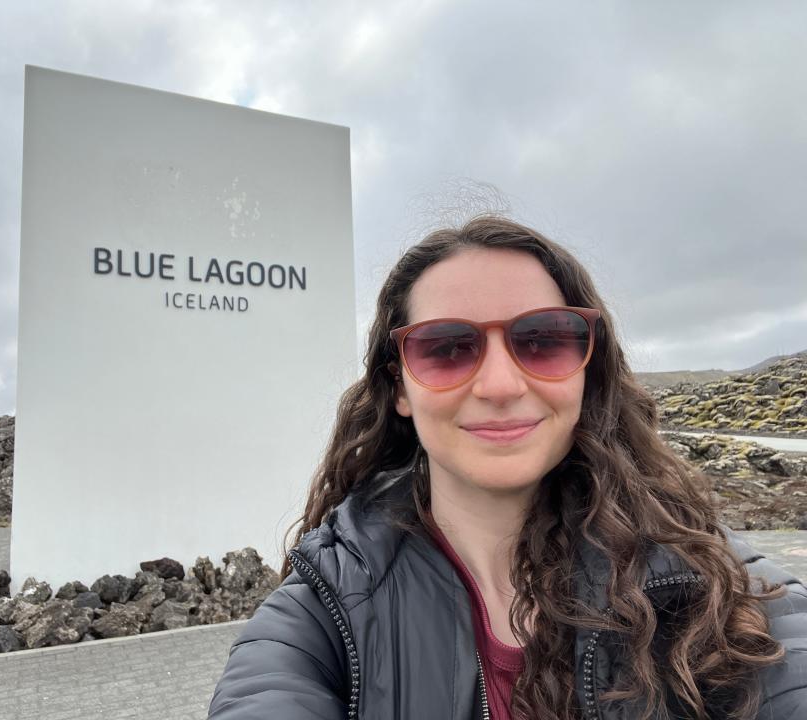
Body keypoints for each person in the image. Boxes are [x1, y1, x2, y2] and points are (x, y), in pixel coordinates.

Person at [208, 216, 807, 719]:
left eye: (543, 340)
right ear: (398, 386)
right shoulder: (323, 611)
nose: (499, 384)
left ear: (586, 370)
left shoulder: (710, 579)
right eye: (446, 348)